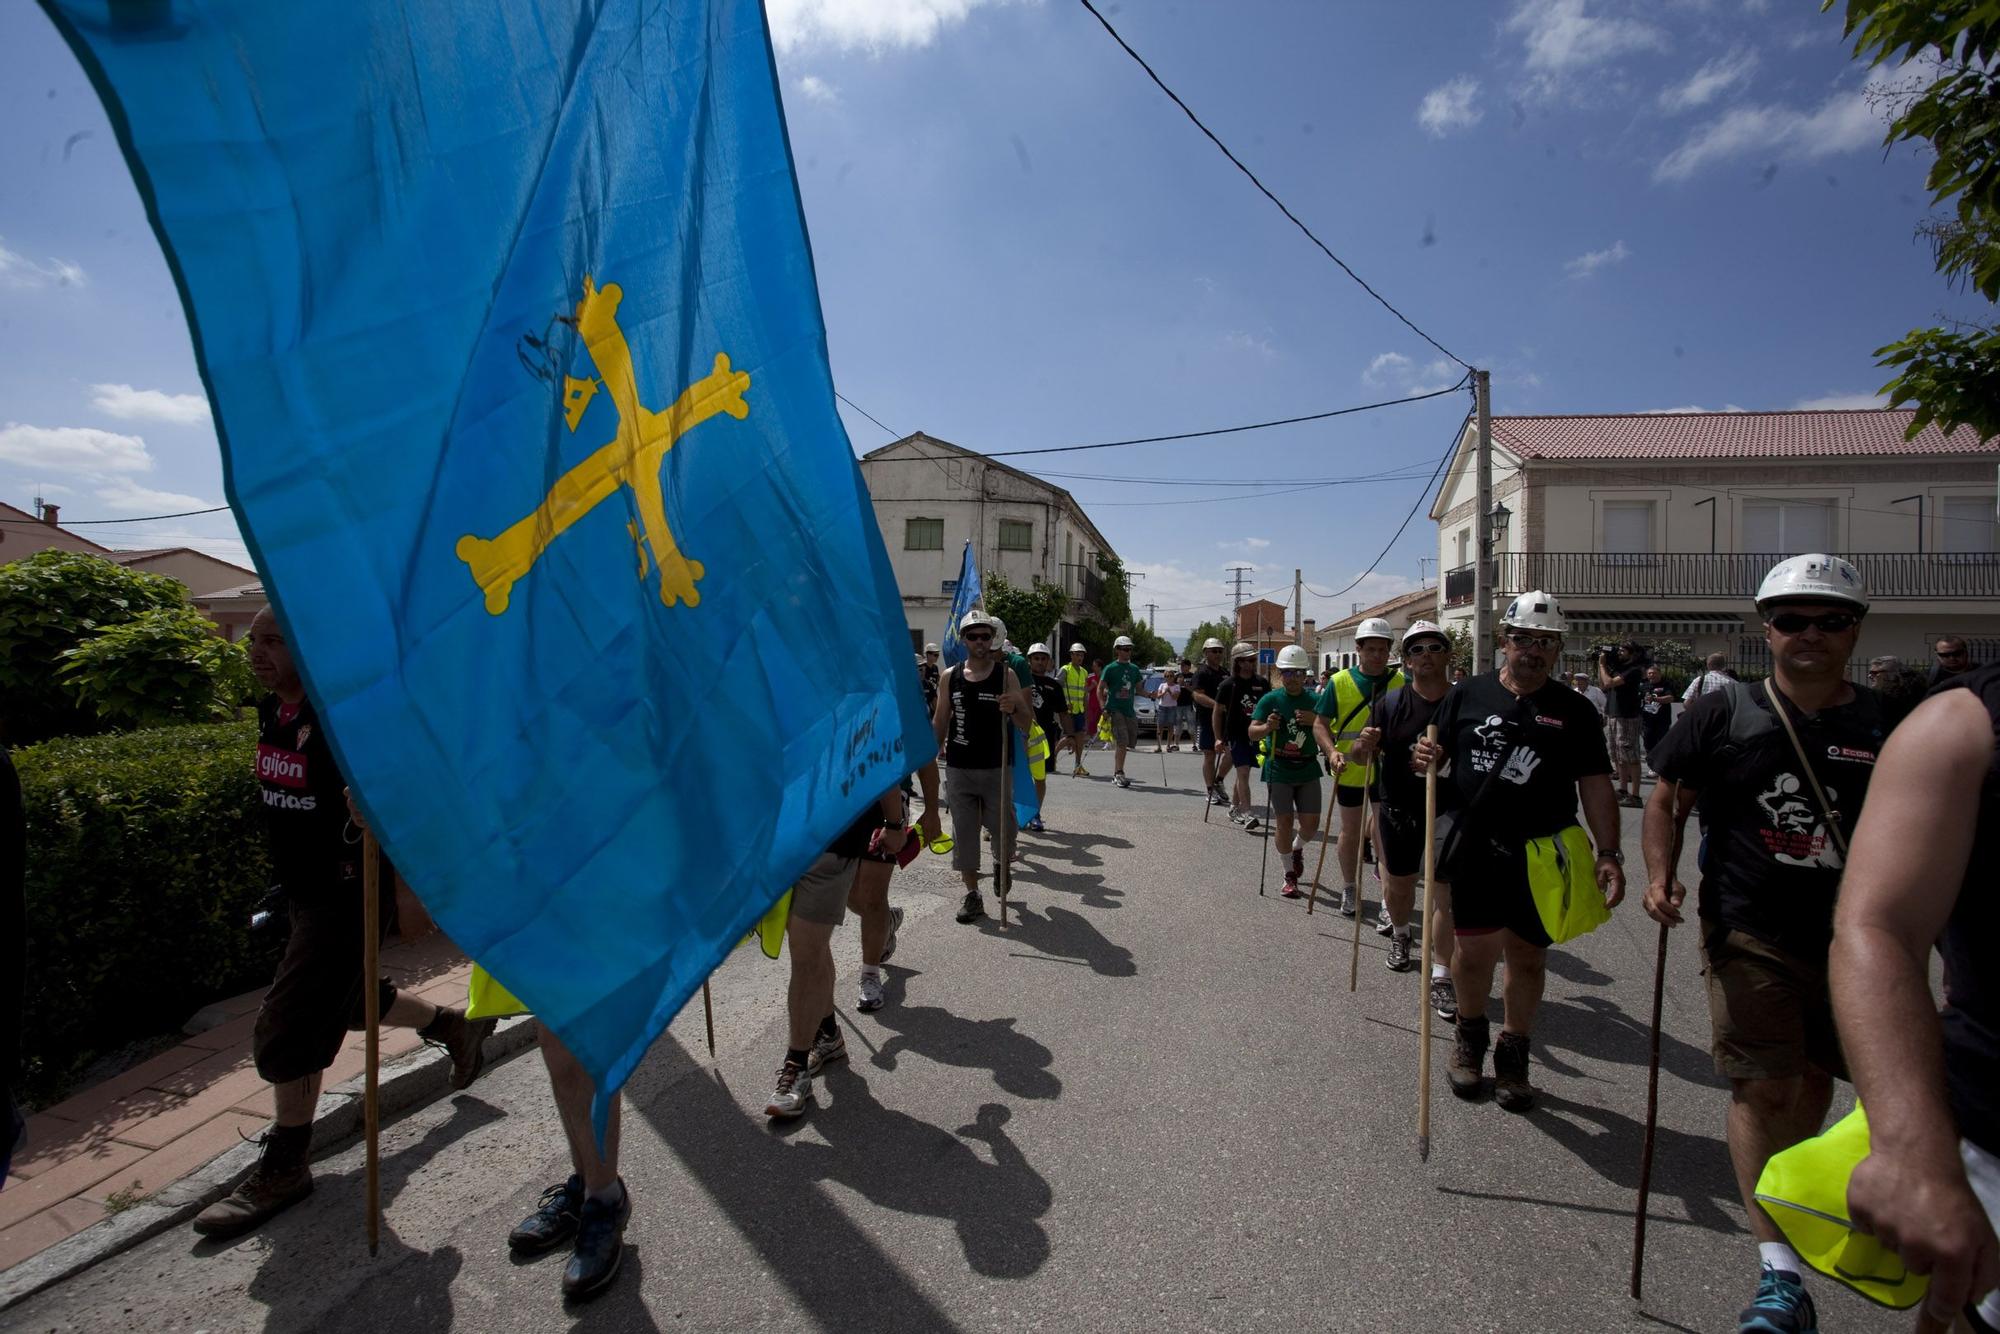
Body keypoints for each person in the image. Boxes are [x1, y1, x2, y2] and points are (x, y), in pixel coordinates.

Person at [194, 608, 495, 1242]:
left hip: (348, 892)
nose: (258, 652)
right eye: (254, 641)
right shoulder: (272, 713)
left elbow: (415, 789)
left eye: (274, 640)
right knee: (347, 1000)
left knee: (290, 1025)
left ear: (310, 650)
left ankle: (286, 1163)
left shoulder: (343, 723)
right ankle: (453, 1026)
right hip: (304, 892)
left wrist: (377, 818)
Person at [1641, 554, 1883, 1334]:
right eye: (1791, 619)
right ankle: (1780, 1275)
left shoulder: (1889, 723)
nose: (1809, 634)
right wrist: (1658, 873)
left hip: (1861, 939)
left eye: (1831, 619)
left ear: (1854, 629)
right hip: (1749, 925)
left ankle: (1788, 1189)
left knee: (1814, 1081)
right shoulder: (1724, 712)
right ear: (1765, 628)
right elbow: (1668, 797)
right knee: (1765, 1087)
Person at [1828, 665, 2000, 1333]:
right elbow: (1881, 925)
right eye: (1791, 619)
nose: (1809, 632)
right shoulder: (1961, 724)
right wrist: (1909, 1145)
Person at [1412, 590, 1620, 1113]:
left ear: (1557, 650)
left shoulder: (1574, 711)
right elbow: (1437, 758)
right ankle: (1469, 1036)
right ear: (1504, 642)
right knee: (1473, 953)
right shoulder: (1469, 694)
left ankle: (1514, 1053)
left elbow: (1595, 783)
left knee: (1528, 957)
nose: (1533, 650)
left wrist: (1610, 851)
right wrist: (1426, 756)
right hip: (1477, 846)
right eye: (1523, 639)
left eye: (1545, 642)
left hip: (1544, 852)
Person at [767, 781, 921, 1119]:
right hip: (775, 830)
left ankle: (796, 1066)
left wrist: (895, 823)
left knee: (807, 950)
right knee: (808, 944)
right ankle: (827, 1033)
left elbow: (884, 745)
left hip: (833, 834)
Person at [1367, 620, 1457, 987]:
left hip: (1450, 810)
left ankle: (1441, 972)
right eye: (1416, 649)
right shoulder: (1389, 703)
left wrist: (1447, 760)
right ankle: (1402, 934)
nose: (1426, 655)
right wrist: (1362, 747)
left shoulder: (1463, 703)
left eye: (1434, 647)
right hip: (1399, 807)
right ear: (1405, 661)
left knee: (1445, 894)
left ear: (1448, 655)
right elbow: (1362, 755)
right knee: (1400, 886)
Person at [932, 609, 1031, 924]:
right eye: (972, 635)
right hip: (959, 768)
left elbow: (1027, 722)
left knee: (1005, 827)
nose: (979, 641)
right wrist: (928, 758)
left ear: (993, 639)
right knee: (964, 834)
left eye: (984, 636)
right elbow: (940, 720)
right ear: (963, 640)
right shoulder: (951, 676)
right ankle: (973, 894)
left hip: (997, 768)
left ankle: (1002, 862)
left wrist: (1014, 707)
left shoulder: (1006, 675)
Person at [1310, 617, 1405, 920]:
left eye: (1383, 649)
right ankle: (1350, 887)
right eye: (1372, 649)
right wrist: (1331, 751)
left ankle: (1389, 900)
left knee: (1383, 834)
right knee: (1350, 832)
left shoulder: (1400, 682)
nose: (1378, 655)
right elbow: (1319, 724)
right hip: (1349, 769)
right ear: (1359, 649)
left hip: (1388, 771)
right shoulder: (1339, 682)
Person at [1248, 645, 1324, 897]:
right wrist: (1268, 728)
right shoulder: (1270, 699)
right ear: (1280, 674)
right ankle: (1289, 874)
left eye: (1297, 673)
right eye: (1287, 673)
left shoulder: (1316, 700)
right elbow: (1252, 732)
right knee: (1284, 821)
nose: (1292, 678)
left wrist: (1315, 721)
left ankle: (1297, 847)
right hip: (1278, 766)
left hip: (1307, 766)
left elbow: (1330, 733)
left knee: (1311, 825)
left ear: (1305, 675)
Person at [1213, 642, 1271, 828]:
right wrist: (1218, 737)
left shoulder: (1262, 683)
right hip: (1236, 735)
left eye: (1252, 660)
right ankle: (1247, 813)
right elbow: (1217, 712)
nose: (1248, 664)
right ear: (1236, 662)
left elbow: (1268, 707)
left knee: (1243, 773)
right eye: (1243, 661)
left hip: (1256, 735)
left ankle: (1234, 807)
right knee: (1243, 772)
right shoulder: (1227, 685)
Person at [1596, 641, 1647, 807]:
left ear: (1633, 653)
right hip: (1614, 713)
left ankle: (1636, 795)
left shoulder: (1634, 670)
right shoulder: (1620, 668)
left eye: (1623, 650)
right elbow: (1603, 685)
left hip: (1627, 716)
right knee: (1619, 755)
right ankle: (1623, 790)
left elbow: (1610, 682)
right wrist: (1601, 665)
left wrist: (1603, 665)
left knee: (1630, 754)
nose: (1619, 653)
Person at [1024, 644, 1069, 833]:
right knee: (1016, 777)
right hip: (1022, 734)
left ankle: (1035, 815)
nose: (1040, 662)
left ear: (1049, 662)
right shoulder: (1020, 680)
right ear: (1029, 660)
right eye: (1036, 658)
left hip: (1045, 737)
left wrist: (1070, 734)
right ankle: (1010, 815)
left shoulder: (1054, 686)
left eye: (1043, 658)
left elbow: (1063, 712)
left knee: (1040, 778)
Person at [1099, 635, 1151, 788]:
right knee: (1121, 742)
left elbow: (1139, 689)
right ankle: (1118, 773)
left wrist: (1151, 695)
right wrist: (1104, 707)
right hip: (1115, 709)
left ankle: (1118, 771)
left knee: (1129, 742)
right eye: (1125, 649)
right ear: (1117, 650)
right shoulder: (1110, 668)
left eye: (1130, 649)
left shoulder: (1134, 669)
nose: (1128, 652)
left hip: (1129, 710)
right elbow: (1100, 688)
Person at [1191, 638, 1234, 806]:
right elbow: (1197, 695)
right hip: (1207, 720)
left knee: (1231, 754)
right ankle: (1210, 790)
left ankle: (1218, 780)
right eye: (1213, 651)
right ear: (1206, 653)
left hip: (1226, 721)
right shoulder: (1201, 673)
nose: (1217, 654)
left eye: (1220, 651)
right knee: (1210, 754)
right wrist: (1217, 705)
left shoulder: (1225, 672)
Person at [1060, 643, 1092, 775]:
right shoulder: (1065, 669)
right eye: (1077, 654)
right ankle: (1053, 758)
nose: (1080, 657)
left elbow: (1084, 693)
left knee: (1080, 739)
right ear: (1071, 655)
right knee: (1069, 738)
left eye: (1082, 655)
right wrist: (1063, 704)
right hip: (1068, 711)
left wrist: (1086, 711)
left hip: (1079, 710)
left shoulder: (1084, 672)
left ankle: (1078, 765)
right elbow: (1056, 688)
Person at [1638, 665, 1674, 768]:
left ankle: (1662, 765)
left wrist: (1655, 699)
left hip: (1662, 720)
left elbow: (1670, 698)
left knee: (1662, 743)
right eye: (1649, 673)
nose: (1651, 675)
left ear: (1659, 674)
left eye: (1654, 673)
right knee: (1648, 743)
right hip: (1647, 721)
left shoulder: (1666, 684)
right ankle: (1652, 766)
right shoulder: (1643, 685)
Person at [1152, 666, 1182, 753]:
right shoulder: (1162, 685)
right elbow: (1158, 696)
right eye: (1167, 676)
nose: (1169, 678)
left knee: (1170, 727)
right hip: (1162, 708)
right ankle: (1159, 746)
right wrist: (1164, 691)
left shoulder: (1177, 686)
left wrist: (1169, 691)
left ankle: (1168, 745)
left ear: (1173, 677)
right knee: (1159, 727)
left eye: (1171, 676)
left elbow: (1175, 698)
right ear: (1165, 677)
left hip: (1172, 708)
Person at [920, 642, 941, 713]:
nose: (937, 657)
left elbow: (937, 681)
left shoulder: (935, 668)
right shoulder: (922, 668)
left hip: (933, 697)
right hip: (924, 698)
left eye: (938, 655)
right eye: (935, 655)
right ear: (928, 654)